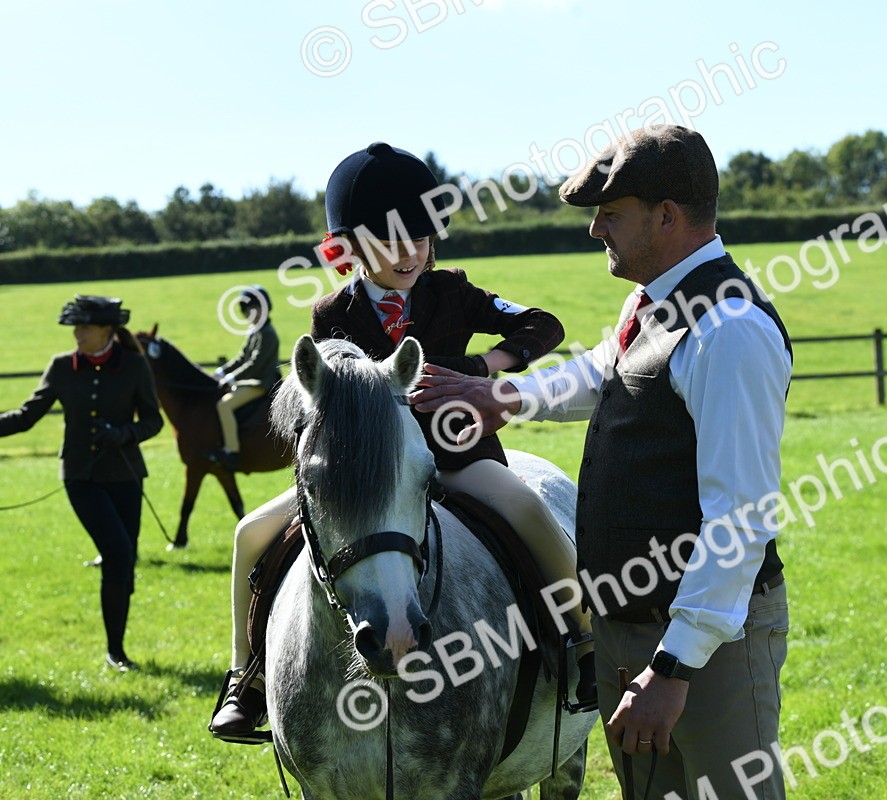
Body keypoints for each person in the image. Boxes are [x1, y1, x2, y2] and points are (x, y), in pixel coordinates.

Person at [411, 125, 793, 798]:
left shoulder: (729, 330)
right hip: (629, 638)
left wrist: (672, 669)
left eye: (610, 214)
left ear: (666, 216)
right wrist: (505, 395)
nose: (595, 230)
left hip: (706, 650)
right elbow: (604, 372)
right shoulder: (651, 302)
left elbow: (740, 518)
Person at [209, 142, 593, 739]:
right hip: (370, 474)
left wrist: (481, 368)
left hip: (457, 456)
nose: (408, 253)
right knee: (249, 533)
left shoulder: (454, 292)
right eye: (388, 243)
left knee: (527, 507)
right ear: (352, 250)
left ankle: (584, 643)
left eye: (419, 238)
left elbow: (543, 325)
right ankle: (248, 678)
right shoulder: (331, 315)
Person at [0, 296, 163, 672]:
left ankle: (116, 643)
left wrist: (124, 432)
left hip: (126, 476)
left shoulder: (134, 365)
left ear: (106, 330)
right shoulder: (60, 367)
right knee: (118, 554)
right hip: (81, 477)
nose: (78, 334)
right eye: (75, 328)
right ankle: (116, 653)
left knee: (124, 565)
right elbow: (27, 417)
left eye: (85, 328)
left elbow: (153, 421)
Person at [207, 285, 281, 472]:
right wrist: (221, 372)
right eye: (246, 309)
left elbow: (255, 364)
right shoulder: (255, 331)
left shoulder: (268, 334)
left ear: (264, 308)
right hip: (251, 381)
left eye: (253, 308)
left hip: (262, 383)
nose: (249, 312)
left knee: (224, 405)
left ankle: (231, 451)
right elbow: (241, 357)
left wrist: (232, 377)